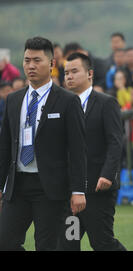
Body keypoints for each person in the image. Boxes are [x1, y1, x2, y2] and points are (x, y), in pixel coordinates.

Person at [0, 36, 87, 251]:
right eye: (27, 60)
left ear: (51, 64)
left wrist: (78, 190)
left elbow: (78, 149)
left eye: (37, 60)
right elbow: (4, 147)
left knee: (47, 245)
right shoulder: (13, 100)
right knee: (4, 242)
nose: (31, 65)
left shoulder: (68, 101)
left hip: (50, 188)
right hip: (17, 186)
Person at [60, 52, 126, 251]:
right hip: (67, 190)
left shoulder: (107, 103)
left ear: (89, 74)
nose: (69, 76)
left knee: (102, 243)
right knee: (66, 244)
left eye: (74, 71)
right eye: (66, 73)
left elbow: (115, 142)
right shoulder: (60, 105)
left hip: (98, 189)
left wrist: (107, 174)